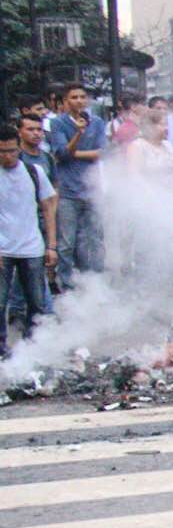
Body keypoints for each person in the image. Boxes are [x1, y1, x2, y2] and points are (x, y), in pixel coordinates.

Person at [0, 124, 58, 357]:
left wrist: (51, 246)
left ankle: (35, 348)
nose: (8, 156)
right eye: (2, 151)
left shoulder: (34, 172)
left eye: (12, 150)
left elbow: (48, 208)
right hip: (3, 249)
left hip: (32, 247)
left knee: (37, 303)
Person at [43, 84, 108, 286]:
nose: (79, 101)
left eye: (82, 97)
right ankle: (68, 286)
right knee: (67, 243)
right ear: (65, 101)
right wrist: (78, 133)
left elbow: (102, 152)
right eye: (74, 97)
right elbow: (61, 154)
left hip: (92, 190)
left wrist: (75, 154)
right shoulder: (58, 123)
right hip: (68, 191)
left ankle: (96, 284)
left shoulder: (96, 122)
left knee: (95, 240)